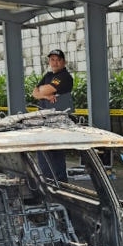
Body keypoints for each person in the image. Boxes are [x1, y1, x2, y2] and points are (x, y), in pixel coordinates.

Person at [32, 48, 75, 181]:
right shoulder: (48, 76)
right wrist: (45, 97)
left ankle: (60, 184)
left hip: (58, 121)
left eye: (58, 60)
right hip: (44, 120)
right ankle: (48, 182)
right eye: (52, 60)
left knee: (55, 153)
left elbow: (44, 89)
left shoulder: (64, 76)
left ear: (64, 62)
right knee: (43, 152)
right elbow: (34, 92)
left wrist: (43, 92)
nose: (55, 63)